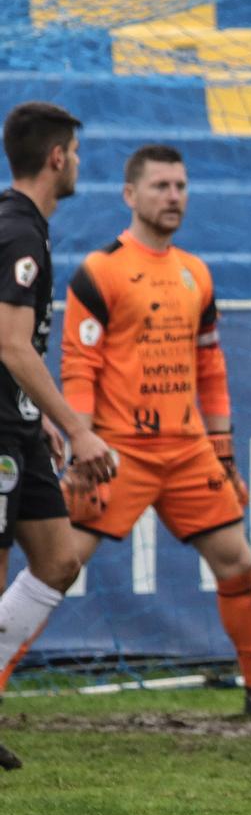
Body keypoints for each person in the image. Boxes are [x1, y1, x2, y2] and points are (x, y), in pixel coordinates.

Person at [55, 145, 251, 718]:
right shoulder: (100, 272)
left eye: (180, 186)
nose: (173, 196)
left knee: (237, 562)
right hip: (117, 454)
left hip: (188, 450)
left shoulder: (196, 272)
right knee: (58, 566)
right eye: (160, 186)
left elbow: (210, 366)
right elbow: (80, 368)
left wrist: (222, 450)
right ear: (130, 195)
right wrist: (82, 447)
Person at [0, 102, 119, 769]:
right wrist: (77, 427)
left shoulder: (23, 228)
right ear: (56, 158)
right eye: (73, 153)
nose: (77, 163)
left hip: (18, 425)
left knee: (58, 560)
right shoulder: (18, 234)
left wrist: (38, 415)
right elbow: (12, 345)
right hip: (0, 433)